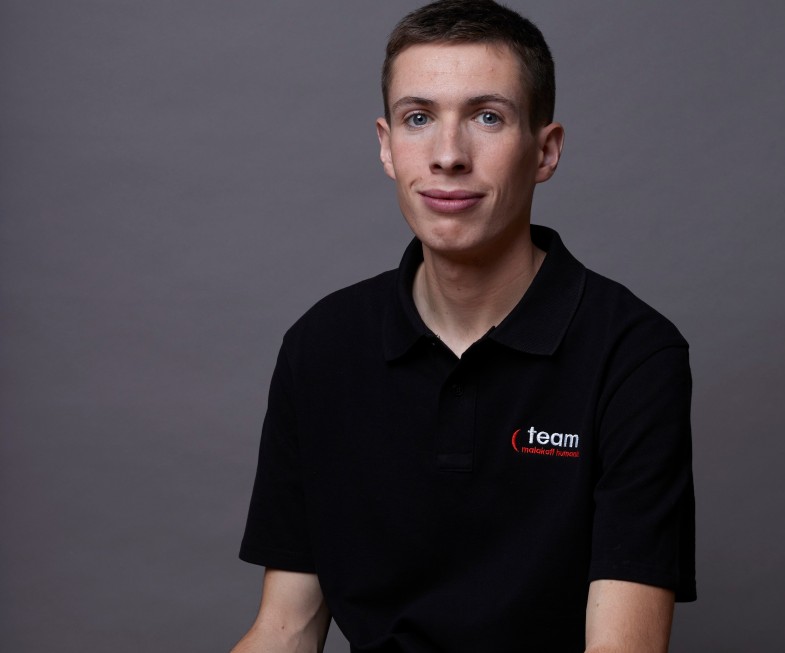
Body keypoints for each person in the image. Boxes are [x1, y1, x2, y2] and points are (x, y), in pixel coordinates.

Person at [231, 1, 695, 651]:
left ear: (545, 150)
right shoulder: (321, 345)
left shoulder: (632, 353)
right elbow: (285, 628)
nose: (448, 155)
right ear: (387, 146)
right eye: (418, 118)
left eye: (487, 117)